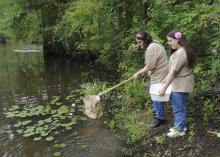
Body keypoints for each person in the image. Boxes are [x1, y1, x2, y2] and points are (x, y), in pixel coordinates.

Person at [158, 30, 196, 137]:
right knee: (178, 107)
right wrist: (165, 80)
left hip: (181, 85)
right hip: (179, 84)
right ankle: (180, 126)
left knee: (179, 108)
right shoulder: (181, 51)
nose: (169, 43)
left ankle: (179, 130)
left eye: (170, 41)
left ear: (178, 39)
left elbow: (174, 73)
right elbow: (172, 71)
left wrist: (164, 88)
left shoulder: (181, 53)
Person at [133, 32, 169, 127]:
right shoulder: (154, 43)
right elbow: (151, 64)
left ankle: (160, 118)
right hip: (160, 72)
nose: (139, 45)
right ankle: (157, 111)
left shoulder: (151, 48)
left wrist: (138, 73)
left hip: (160, 74)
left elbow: (150, 65)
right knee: (156, 93)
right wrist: (144, 71)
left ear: (145, 40)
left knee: (156, 94)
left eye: (140, 42)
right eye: (137, 42)